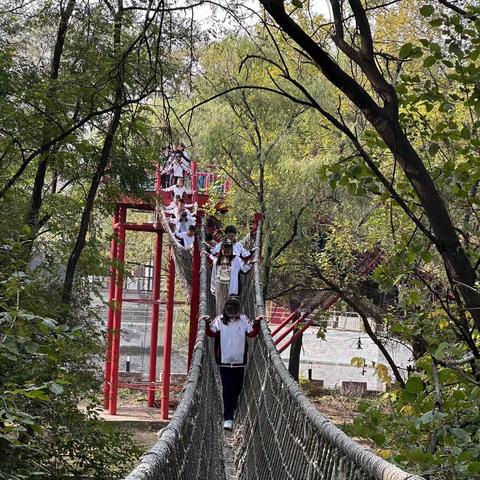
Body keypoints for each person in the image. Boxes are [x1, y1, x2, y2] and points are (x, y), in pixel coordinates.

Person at [205, 297, 262, 430]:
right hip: (224, 362)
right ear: (225, 309)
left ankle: (233, 410)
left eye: (234, 308)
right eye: (229, 308)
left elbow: (252, 332)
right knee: (227, 389)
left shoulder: (243, 319)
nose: (232, 311)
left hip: (239, 362)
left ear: (238, 309)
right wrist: (207, 321)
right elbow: (210, 332)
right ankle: (228, 418)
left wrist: (257, 322)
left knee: (237, 388)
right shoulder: (219, 319)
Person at [209, 239, 253, 315]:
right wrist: (206, 253)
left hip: (231, 286)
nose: (226, 253)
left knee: (230, 305)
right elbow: (213, 265)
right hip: (219, 284)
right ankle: (220, 321)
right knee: (220, 304)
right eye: (224, 251)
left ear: (231, 250)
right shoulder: (218, 260)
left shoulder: (236, 259)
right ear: (221, 250)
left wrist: (251, 263)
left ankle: (229, 321)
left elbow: (243, 269)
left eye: (228, 251)